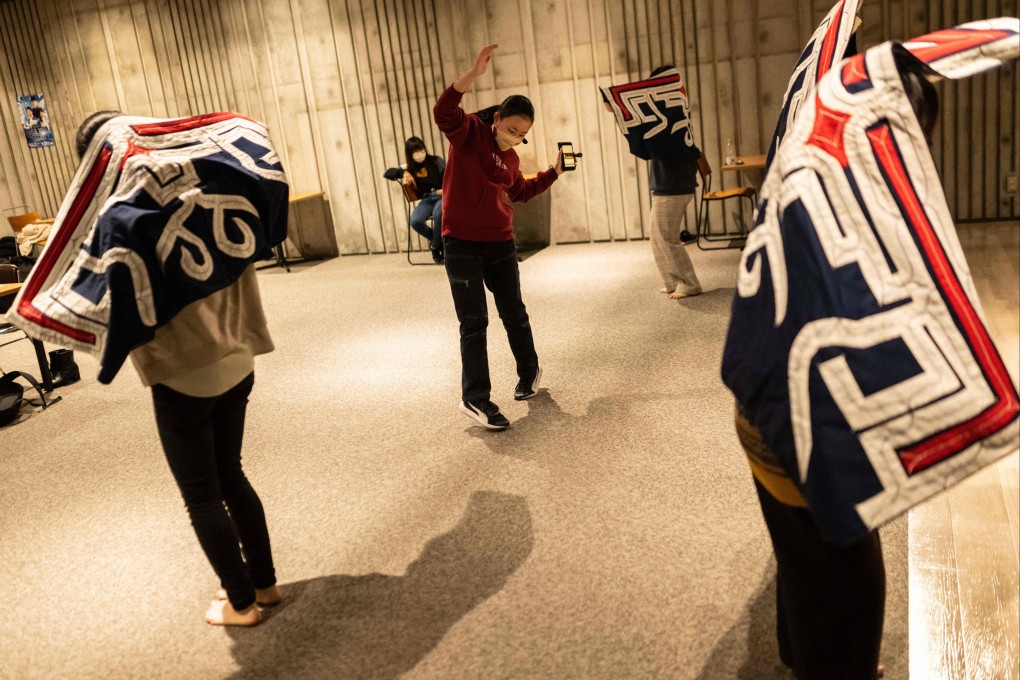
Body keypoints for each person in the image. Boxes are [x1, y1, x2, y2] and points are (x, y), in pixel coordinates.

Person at [75, 110, 283, 627]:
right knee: (232, 473)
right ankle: (265, 583)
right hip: (240, 356)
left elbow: (109, 306)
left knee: (202, 494)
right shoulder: (220, 179)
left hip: (184, 372)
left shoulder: (122, 217)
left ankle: (239, 604)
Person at [433, 43, 567, 431]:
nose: (514, 137)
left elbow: (520, 192)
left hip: (500, 242)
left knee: (514, 313)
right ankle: (475, 399)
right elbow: (444, 112)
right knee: (473, 321)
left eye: (522, 134)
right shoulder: (469, 133)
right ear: (496, 118)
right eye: (511, 129)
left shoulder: (512, 159)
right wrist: (471, 75)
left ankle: (529, 372)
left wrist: (554, 172)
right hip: (460, 241)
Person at [402, 136, 446, 263]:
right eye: (415, 151)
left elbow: (448, 179)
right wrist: (404, 173)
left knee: (439, 214)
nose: (420, 153)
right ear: (410, 154)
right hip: (426, 199)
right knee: (415, 221)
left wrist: (441, 191)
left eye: (421, 149)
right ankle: (439, 242)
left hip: (441, 195)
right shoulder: (410, 168)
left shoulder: (436, 161)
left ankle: (434, 246)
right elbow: (389, 173)